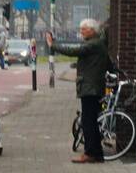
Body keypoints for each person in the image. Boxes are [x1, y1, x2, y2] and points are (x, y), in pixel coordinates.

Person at [46, 19, 111, 163]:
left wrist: (53, 45)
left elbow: (74, 51)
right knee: (92, 122)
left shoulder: (93, 44)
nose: (81, 32)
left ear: (92, 30)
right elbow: (105, 63)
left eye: (83, 29)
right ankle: (97, 154)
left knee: (88, 123)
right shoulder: (98, 44)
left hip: (90, 89)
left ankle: (89, 154)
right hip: (94, 87)